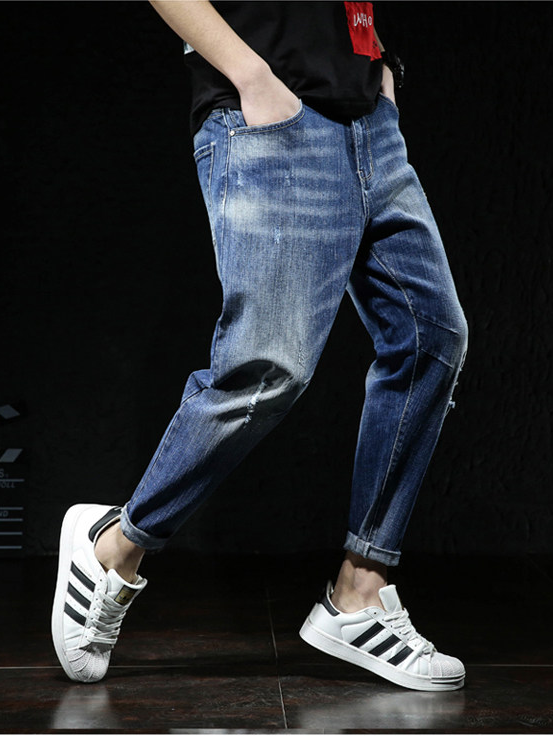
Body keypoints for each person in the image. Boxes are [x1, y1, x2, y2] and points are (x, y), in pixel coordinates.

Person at [51, 0, 468, 692]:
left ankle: (360, 593)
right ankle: (113, 548)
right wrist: (250, 75)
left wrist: (380, 68)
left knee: (432, 337)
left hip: (368, 123)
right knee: (268, 367)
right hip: (272, 117)